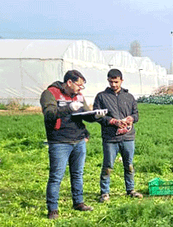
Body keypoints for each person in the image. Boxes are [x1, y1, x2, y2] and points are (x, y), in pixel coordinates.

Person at [40, 69, 102, 219]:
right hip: (60, 141)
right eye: (79, 85)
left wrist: (95, 116)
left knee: (77, 174)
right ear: (69, 82)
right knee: (56, 176)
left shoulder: (78, 96)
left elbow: (86, 114)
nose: (81, 89)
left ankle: (78, 202)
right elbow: (49, 114)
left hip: (79, 140)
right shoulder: (50, 93)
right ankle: (53, 209)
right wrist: (68, 108)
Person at [93, 69, 142, 202]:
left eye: (116, 82)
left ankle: (130, 190)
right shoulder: (101, 97)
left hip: (128, 137)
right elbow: (97, 116)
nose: (113, 84)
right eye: (111, 82)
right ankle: (104, 192)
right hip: (110, 138)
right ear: (107, 80)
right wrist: (112, 121)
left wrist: (130, 119)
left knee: (129, 165)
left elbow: (136, 114)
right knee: (108, 166)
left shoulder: (129, 97)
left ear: (121, 80)